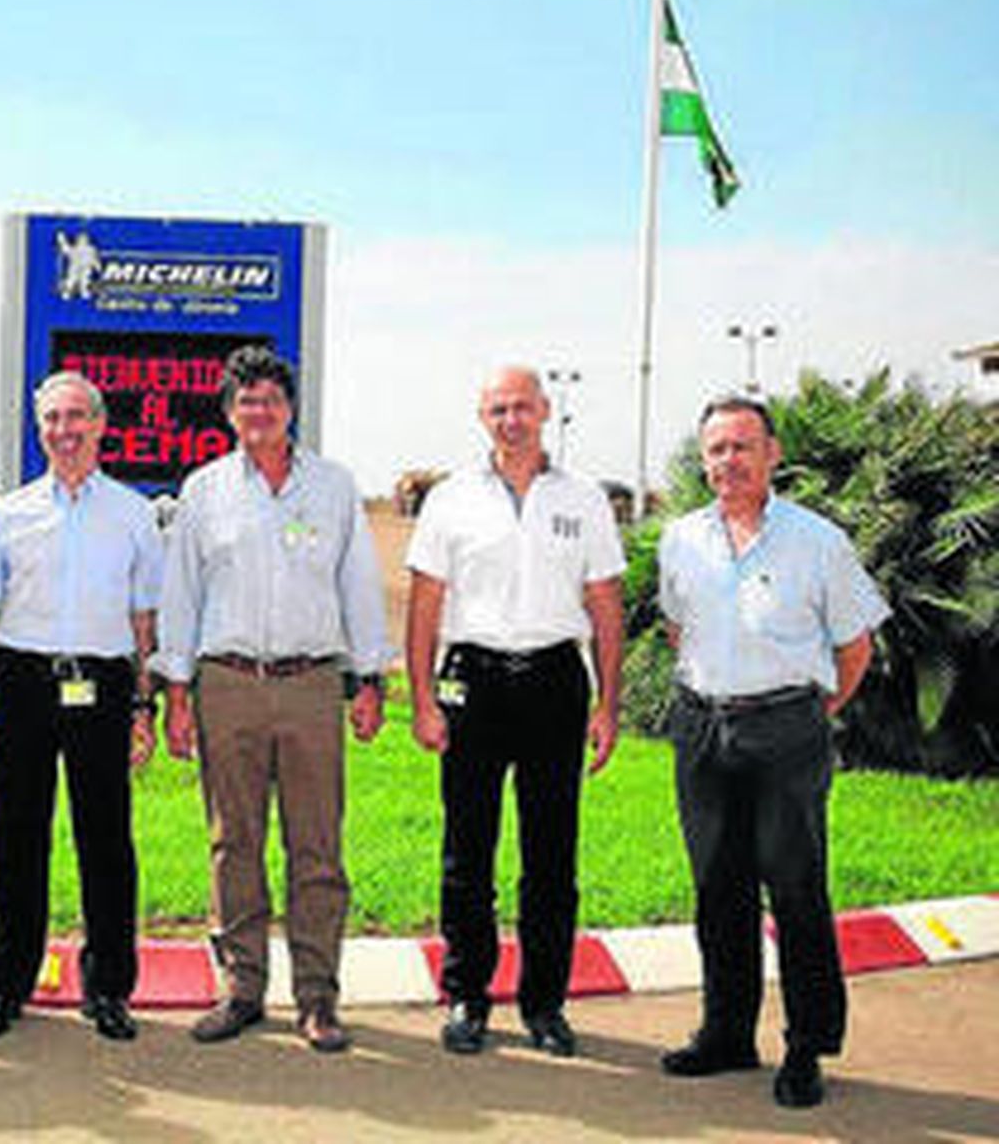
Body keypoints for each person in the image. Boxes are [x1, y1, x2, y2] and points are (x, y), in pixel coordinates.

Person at [657, 395, 888, 1109]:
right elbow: (676, 629)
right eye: (716, 449)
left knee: (795, 890)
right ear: (704, 460)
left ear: (773, 454)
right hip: (702, 729)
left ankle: (807, 1046)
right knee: (717, 888)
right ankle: (727, 1031)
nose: (728, 461)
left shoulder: (817, 540)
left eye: (742, 446)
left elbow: (855, 645)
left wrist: (811, 710)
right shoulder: (680, 538)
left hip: (787, 730)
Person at [157, 345, 388, 1054]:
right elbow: (181, 594)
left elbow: (358, 586)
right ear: (229, 412)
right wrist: (176, 692)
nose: (260, 410)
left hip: (313, 684)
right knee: (235, 841)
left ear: (291, 408)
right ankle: (243, 988)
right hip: (226, 682)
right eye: (246, 399)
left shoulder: (334, 486)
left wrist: (369, 677)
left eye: (272, 398)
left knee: (316, 845)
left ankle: (318, 997)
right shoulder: (204, 491)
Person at [405, 365, 625, 1059]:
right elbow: (425, 605)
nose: (511, 419)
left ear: (546, 411)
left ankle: (544, 1003)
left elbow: (606, 606)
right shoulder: (450, 499)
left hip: (555, 678)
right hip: (472, 679)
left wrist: (608, 703)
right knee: (467, 852)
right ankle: (468, 996)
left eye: (522, 407)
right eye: (499, 408)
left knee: (550, 856)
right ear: (482, 416)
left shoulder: (584, 497)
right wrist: (421, 700)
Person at [0, 371, 162, 1042]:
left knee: (106, 843)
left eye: (77, 418)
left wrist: (143, 708)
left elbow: (143, 622)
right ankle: (7, 986)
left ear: (101, 426)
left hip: (101, 687)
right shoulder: (11, 513)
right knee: (14, 842)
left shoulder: (133, 514)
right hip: (21, 684)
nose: (65, 431)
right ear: (38, 427)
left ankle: (108, 990)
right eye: (52, 419)